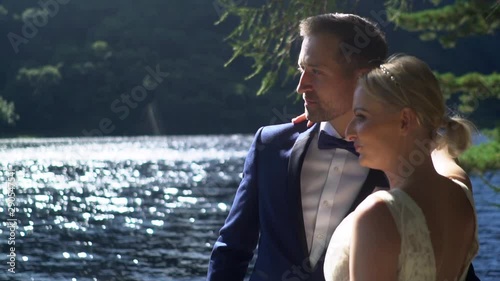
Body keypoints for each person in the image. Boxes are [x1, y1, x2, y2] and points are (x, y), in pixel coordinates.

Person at [207, 13, 480, 281]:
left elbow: (450, 261)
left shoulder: (405, 160)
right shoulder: (270, 144)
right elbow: (231, 250)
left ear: (362, 77)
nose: (301, 86)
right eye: (302, 70)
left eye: (316, 72)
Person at [323, 55, 479, 281]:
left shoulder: (378, 214)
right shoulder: (460, 193)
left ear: (405, 120)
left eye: (361, 116)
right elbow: (441, 152)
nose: (349, 131)